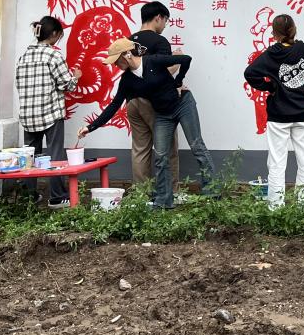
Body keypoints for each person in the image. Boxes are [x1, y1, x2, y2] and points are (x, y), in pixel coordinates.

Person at [78, 38, 215, 209]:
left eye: (116, 61)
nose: (115, 65)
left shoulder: (153, 60)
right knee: (161, 156)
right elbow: (114, 106)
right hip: (163, 115)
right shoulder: (127, 80)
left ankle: (212, 192)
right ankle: (164, 201)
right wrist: (90, 127)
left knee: (197, 146)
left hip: (183, 104)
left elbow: (186, 59)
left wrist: (178, 81)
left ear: (127, 55)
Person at [244, 14, 304, 206]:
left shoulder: (271, 54)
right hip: (303, 114)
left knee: (277, 163)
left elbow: (250, 73)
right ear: (294, 30)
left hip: (278, 116)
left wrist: (270, 87)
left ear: (274, 33)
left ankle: (276, 207)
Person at [13, 16, 81, 207]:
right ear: (53, 34)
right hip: (50, 112)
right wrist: (76, 77)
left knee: (30, 157)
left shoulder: (24, 56)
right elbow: (66, 85)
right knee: (55, 154)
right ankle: (57, 197)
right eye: (59, 35)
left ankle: (29, 197)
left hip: (28, 115)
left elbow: (19, 84)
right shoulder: (53, 55)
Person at [128, 1, 180, 190]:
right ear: (158, 17)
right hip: (154, 102)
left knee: (140, 149)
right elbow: (163, 74)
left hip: (132, 100)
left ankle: (141, 194)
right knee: (167, 148)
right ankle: (170, 192)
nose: (165, 25)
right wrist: (178, 60)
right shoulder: (159, 42)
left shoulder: (128, 40)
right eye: (165, 20)